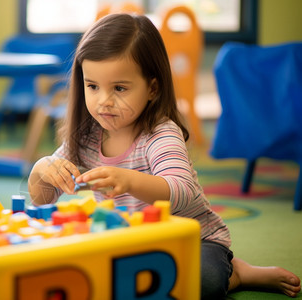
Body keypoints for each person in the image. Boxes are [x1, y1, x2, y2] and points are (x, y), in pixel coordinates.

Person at [27, 13, 301, 299]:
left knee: (200, 282)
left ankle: (238, 273)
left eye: (119, 88)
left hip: (192, 240)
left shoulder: (160, 133)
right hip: (129, 241)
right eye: (92, 86)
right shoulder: (86, 136)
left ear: (152, 89)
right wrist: (41, 170)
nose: (103, 101)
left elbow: (182, 191)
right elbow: (43, 198)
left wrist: (130, 181)